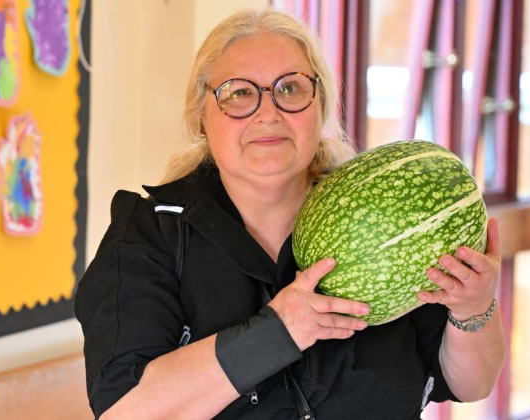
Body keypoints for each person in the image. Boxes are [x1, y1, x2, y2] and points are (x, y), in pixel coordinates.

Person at [75, 9, 505, 420]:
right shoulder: (149, 236)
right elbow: (124, 410)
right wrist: (275, 333)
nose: (267, 113)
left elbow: (469, 385)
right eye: (239, 93)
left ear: (320, 107)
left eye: (290, 88)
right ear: (201, 116)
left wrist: (475, 309)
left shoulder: (390, 217)